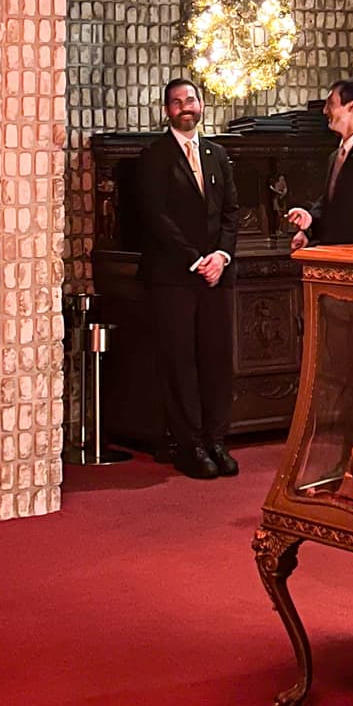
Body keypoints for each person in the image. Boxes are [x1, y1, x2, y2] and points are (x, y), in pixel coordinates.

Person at [134, 78, 240, 479]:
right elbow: (155, 217)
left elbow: (231, 211)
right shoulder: (155, 157)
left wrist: (221, 256)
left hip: (217, 274)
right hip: (174, 276)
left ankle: (217, 440)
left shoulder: (217, 154)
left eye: (191, 99)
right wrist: (195, 260)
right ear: (167, 111)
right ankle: (190, 444)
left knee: (216, 360)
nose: (185, 107)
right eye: (177, 102)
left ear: (201, 104)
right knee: (181, 361)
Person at [287, 80, 353, 251]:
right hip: (335, 256)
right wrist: (309, 222)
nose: (325, 111)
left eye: (330, 104)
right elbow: (331, 203)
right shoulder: (335, 155)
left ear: (352, 106)